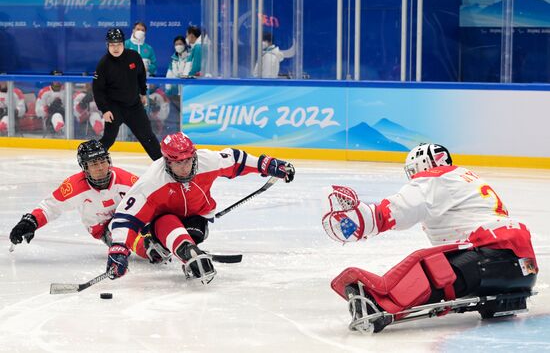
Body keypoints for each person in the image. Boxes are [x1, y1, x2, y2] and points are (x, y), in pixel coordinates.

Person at [324, 143, 538, 333]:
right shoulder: (467, 178)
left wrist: (360, 220)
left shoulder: (435, 177)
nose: (412, 176)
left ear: (423, 164)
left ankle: (380, 305)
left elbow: (398, 210)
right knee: (444, 259)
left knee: (428, 265)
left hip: (486, 263)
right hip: (523, 270)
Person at [105, 132, 296, 284]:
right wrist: (118, 248)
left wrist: (268, 164)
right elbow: (126, 216)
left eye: (188, 160)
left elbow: (236, 159)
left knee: (197, 232)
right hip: (160, 222)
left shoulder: (206, 160)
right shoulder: (152, 181)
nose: (185, 167)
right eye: (178, 162)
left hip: (197, 218)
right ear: (167, 161)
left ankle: (181, 247)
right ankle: (179, 249)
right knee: (167, 221)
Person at [8, 140, 148, 254]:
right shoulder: (75, 186)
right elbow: (50, 207)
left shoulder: (128, 181)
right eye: (93, 163)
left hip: (130, 217)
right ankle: (149, 250)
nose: (100, 167)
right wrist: (30, 222)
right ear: (85, 167)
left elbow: (152, 198)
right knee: (141, 244)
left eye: (102, 161)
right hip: (103, 226)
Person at [93, 28, 162, 161]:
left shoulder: (134, 57)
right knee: (108, 139)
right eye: (112, 45)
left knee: (147, 137)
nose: (115, 48)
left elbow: (141, 76)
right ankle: (92, 162)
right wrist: (105, 110)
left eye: (118, 44)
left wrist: (143, 93)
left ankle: (163, 166)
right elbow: (98, 89)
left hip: (134, 106)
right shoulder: (103, 64)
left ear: (123, 44)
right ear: (107, 45)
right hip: (114, 108)